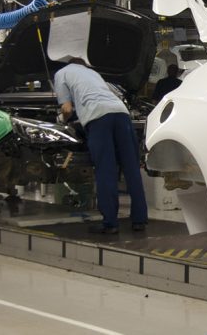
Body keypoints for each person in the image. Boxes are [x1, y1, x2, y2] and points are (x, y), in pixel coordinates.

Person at [53, 55, 147, 235]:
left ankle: (110, 223)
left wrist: (61, 120)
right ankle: (139, 220)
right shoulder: (93, 73)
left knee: (106, 169)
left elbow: (67, 109)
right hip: (121, 114)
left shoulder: (62, 73)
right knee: (132, 169)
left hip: (98, 117)